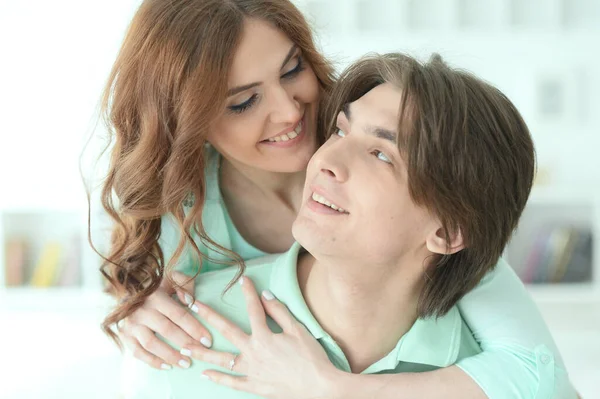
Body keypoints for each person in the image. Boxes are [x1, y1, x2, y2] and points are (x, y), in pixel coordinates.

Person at [95, 0, 573, 397]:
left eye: (292, 69)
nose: (289, 111)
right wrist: (137, 302)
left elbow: (537, 372)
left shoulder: (403, 153)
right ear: (190, 124)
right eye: (243, 102)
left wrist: (333, 389)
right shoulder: (185, 217)